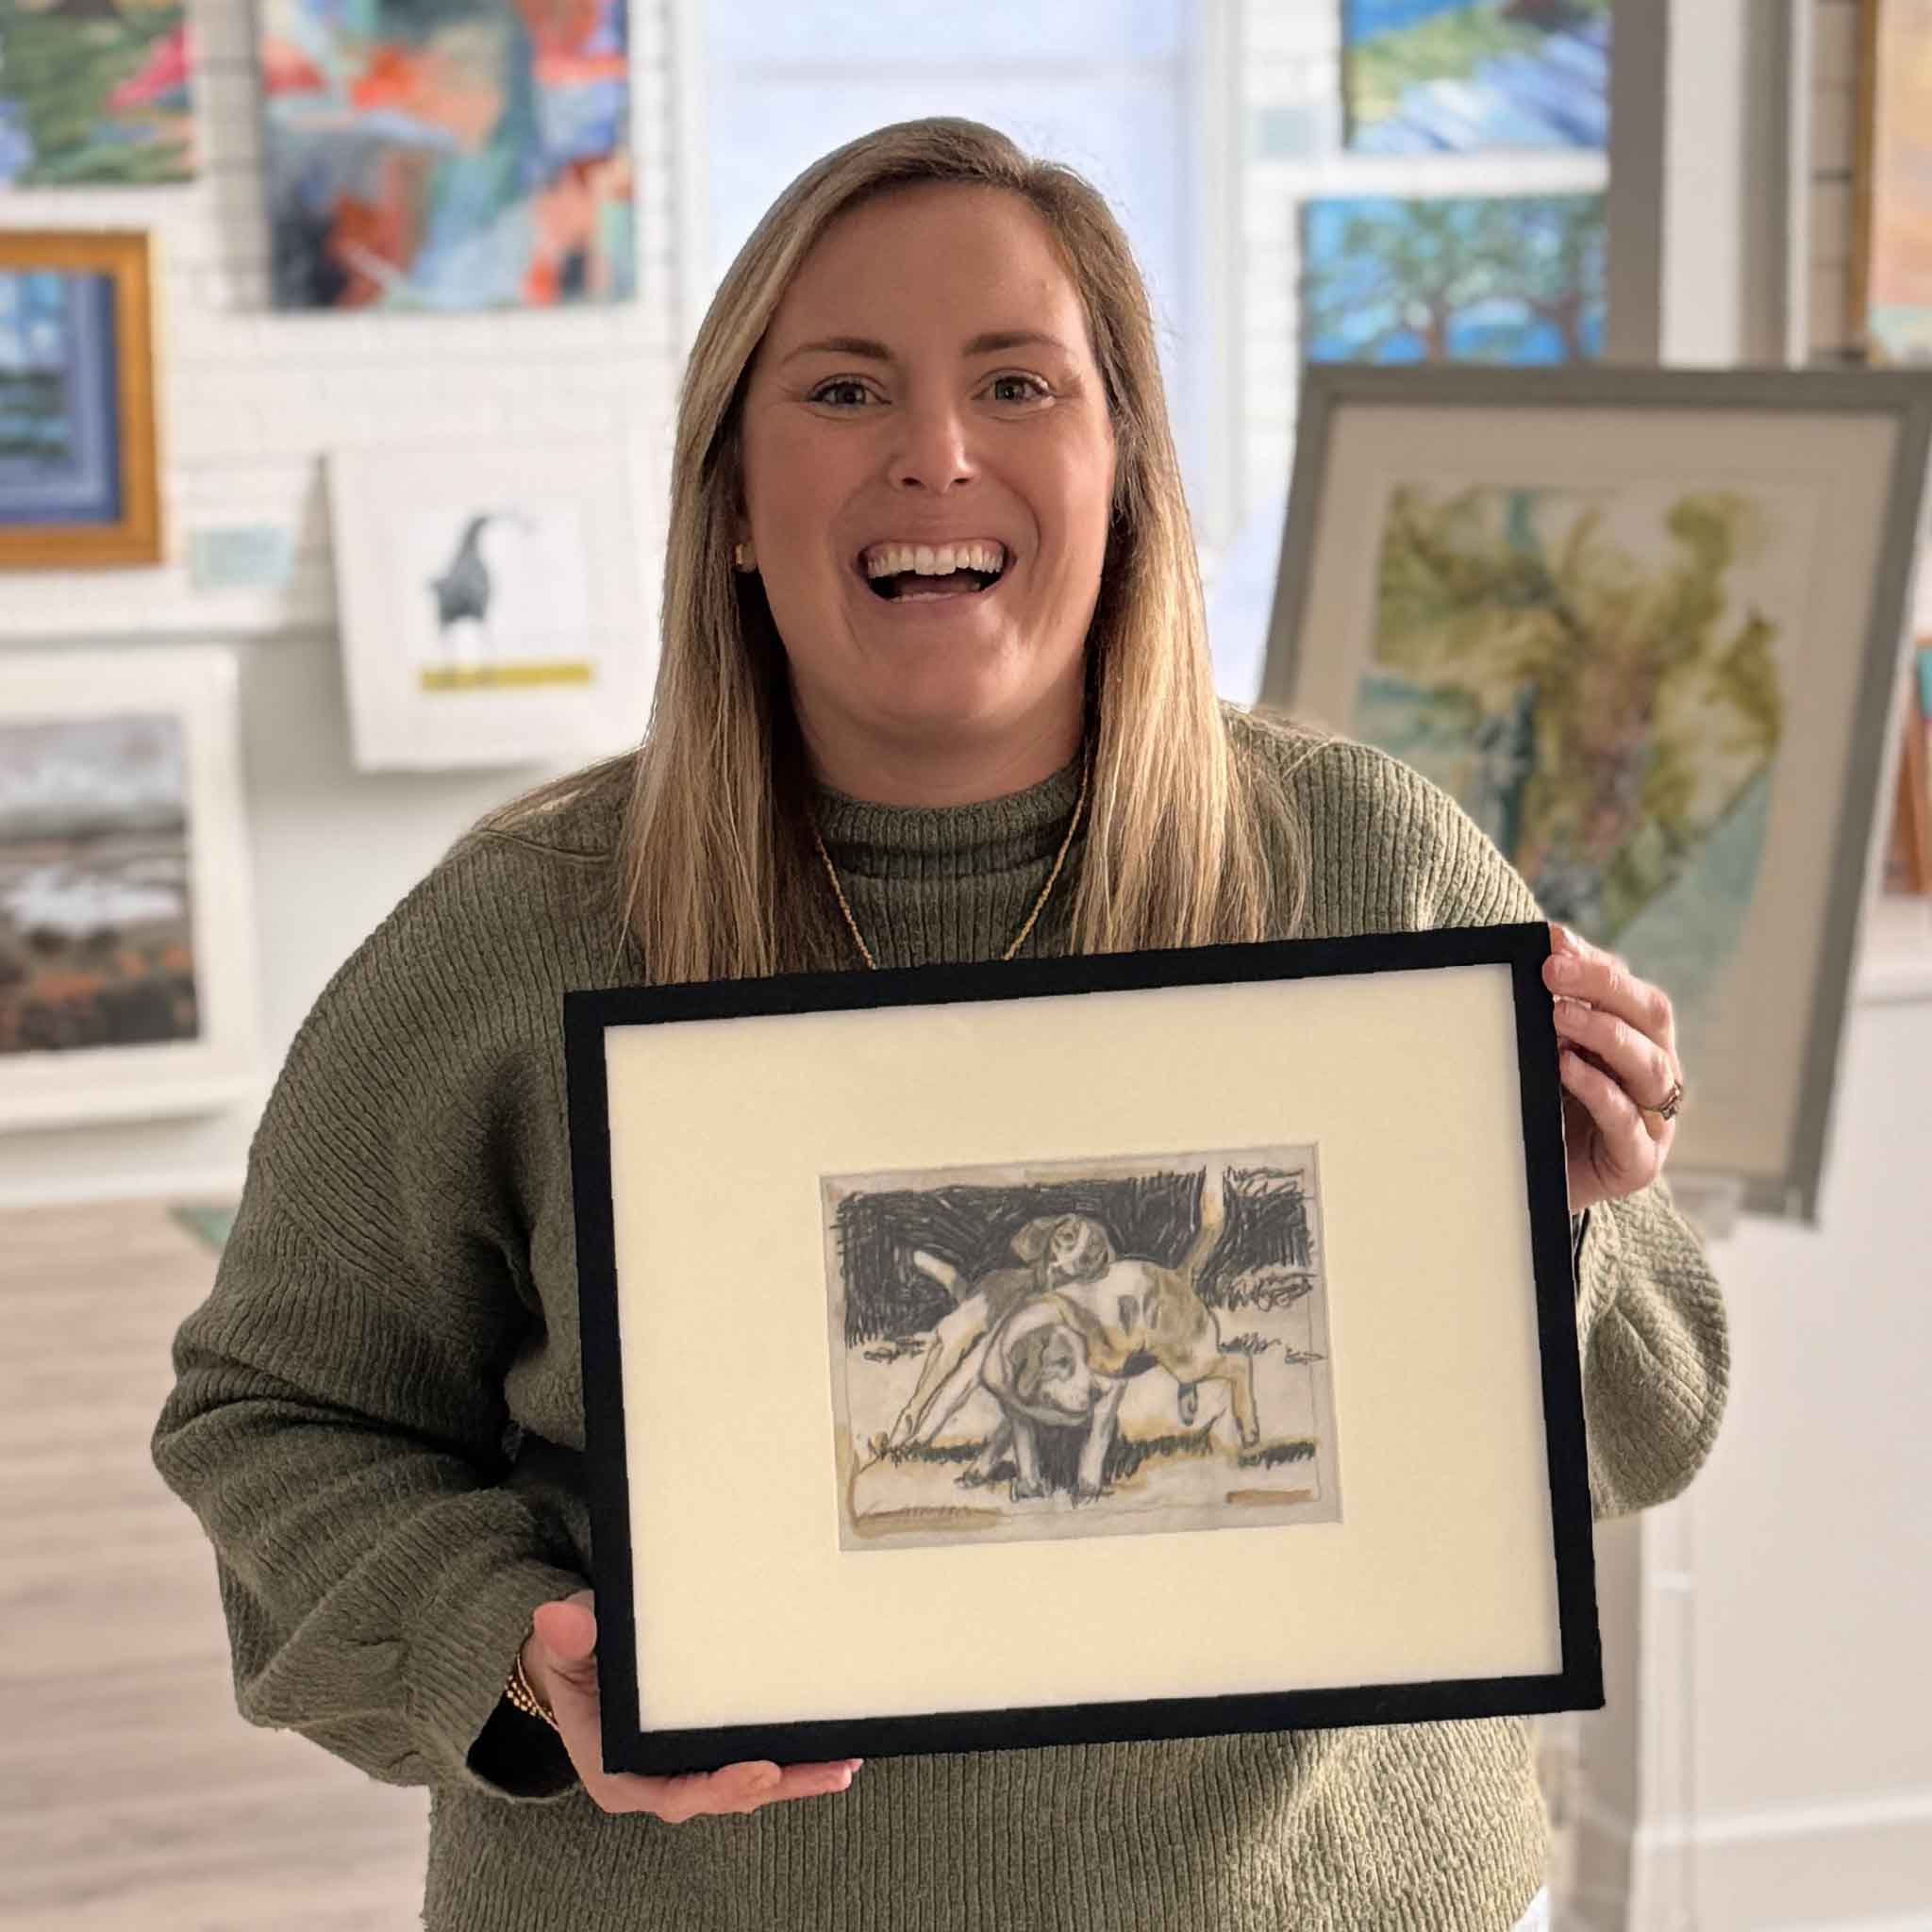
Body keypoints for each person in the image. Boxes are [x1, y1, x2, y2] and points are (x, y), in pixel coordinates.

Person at [152, 116, 1727, 1932]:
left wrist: (1570, 1218)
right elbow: (276, 1414)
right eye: (841, 391)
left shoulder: (1375, 868)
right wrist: (507, 1650)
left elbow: (1646, 1424)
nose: (936, 454)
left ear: (1123, 467)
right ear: (732, 499)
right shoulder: (516, 933)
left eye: (1017, 381)